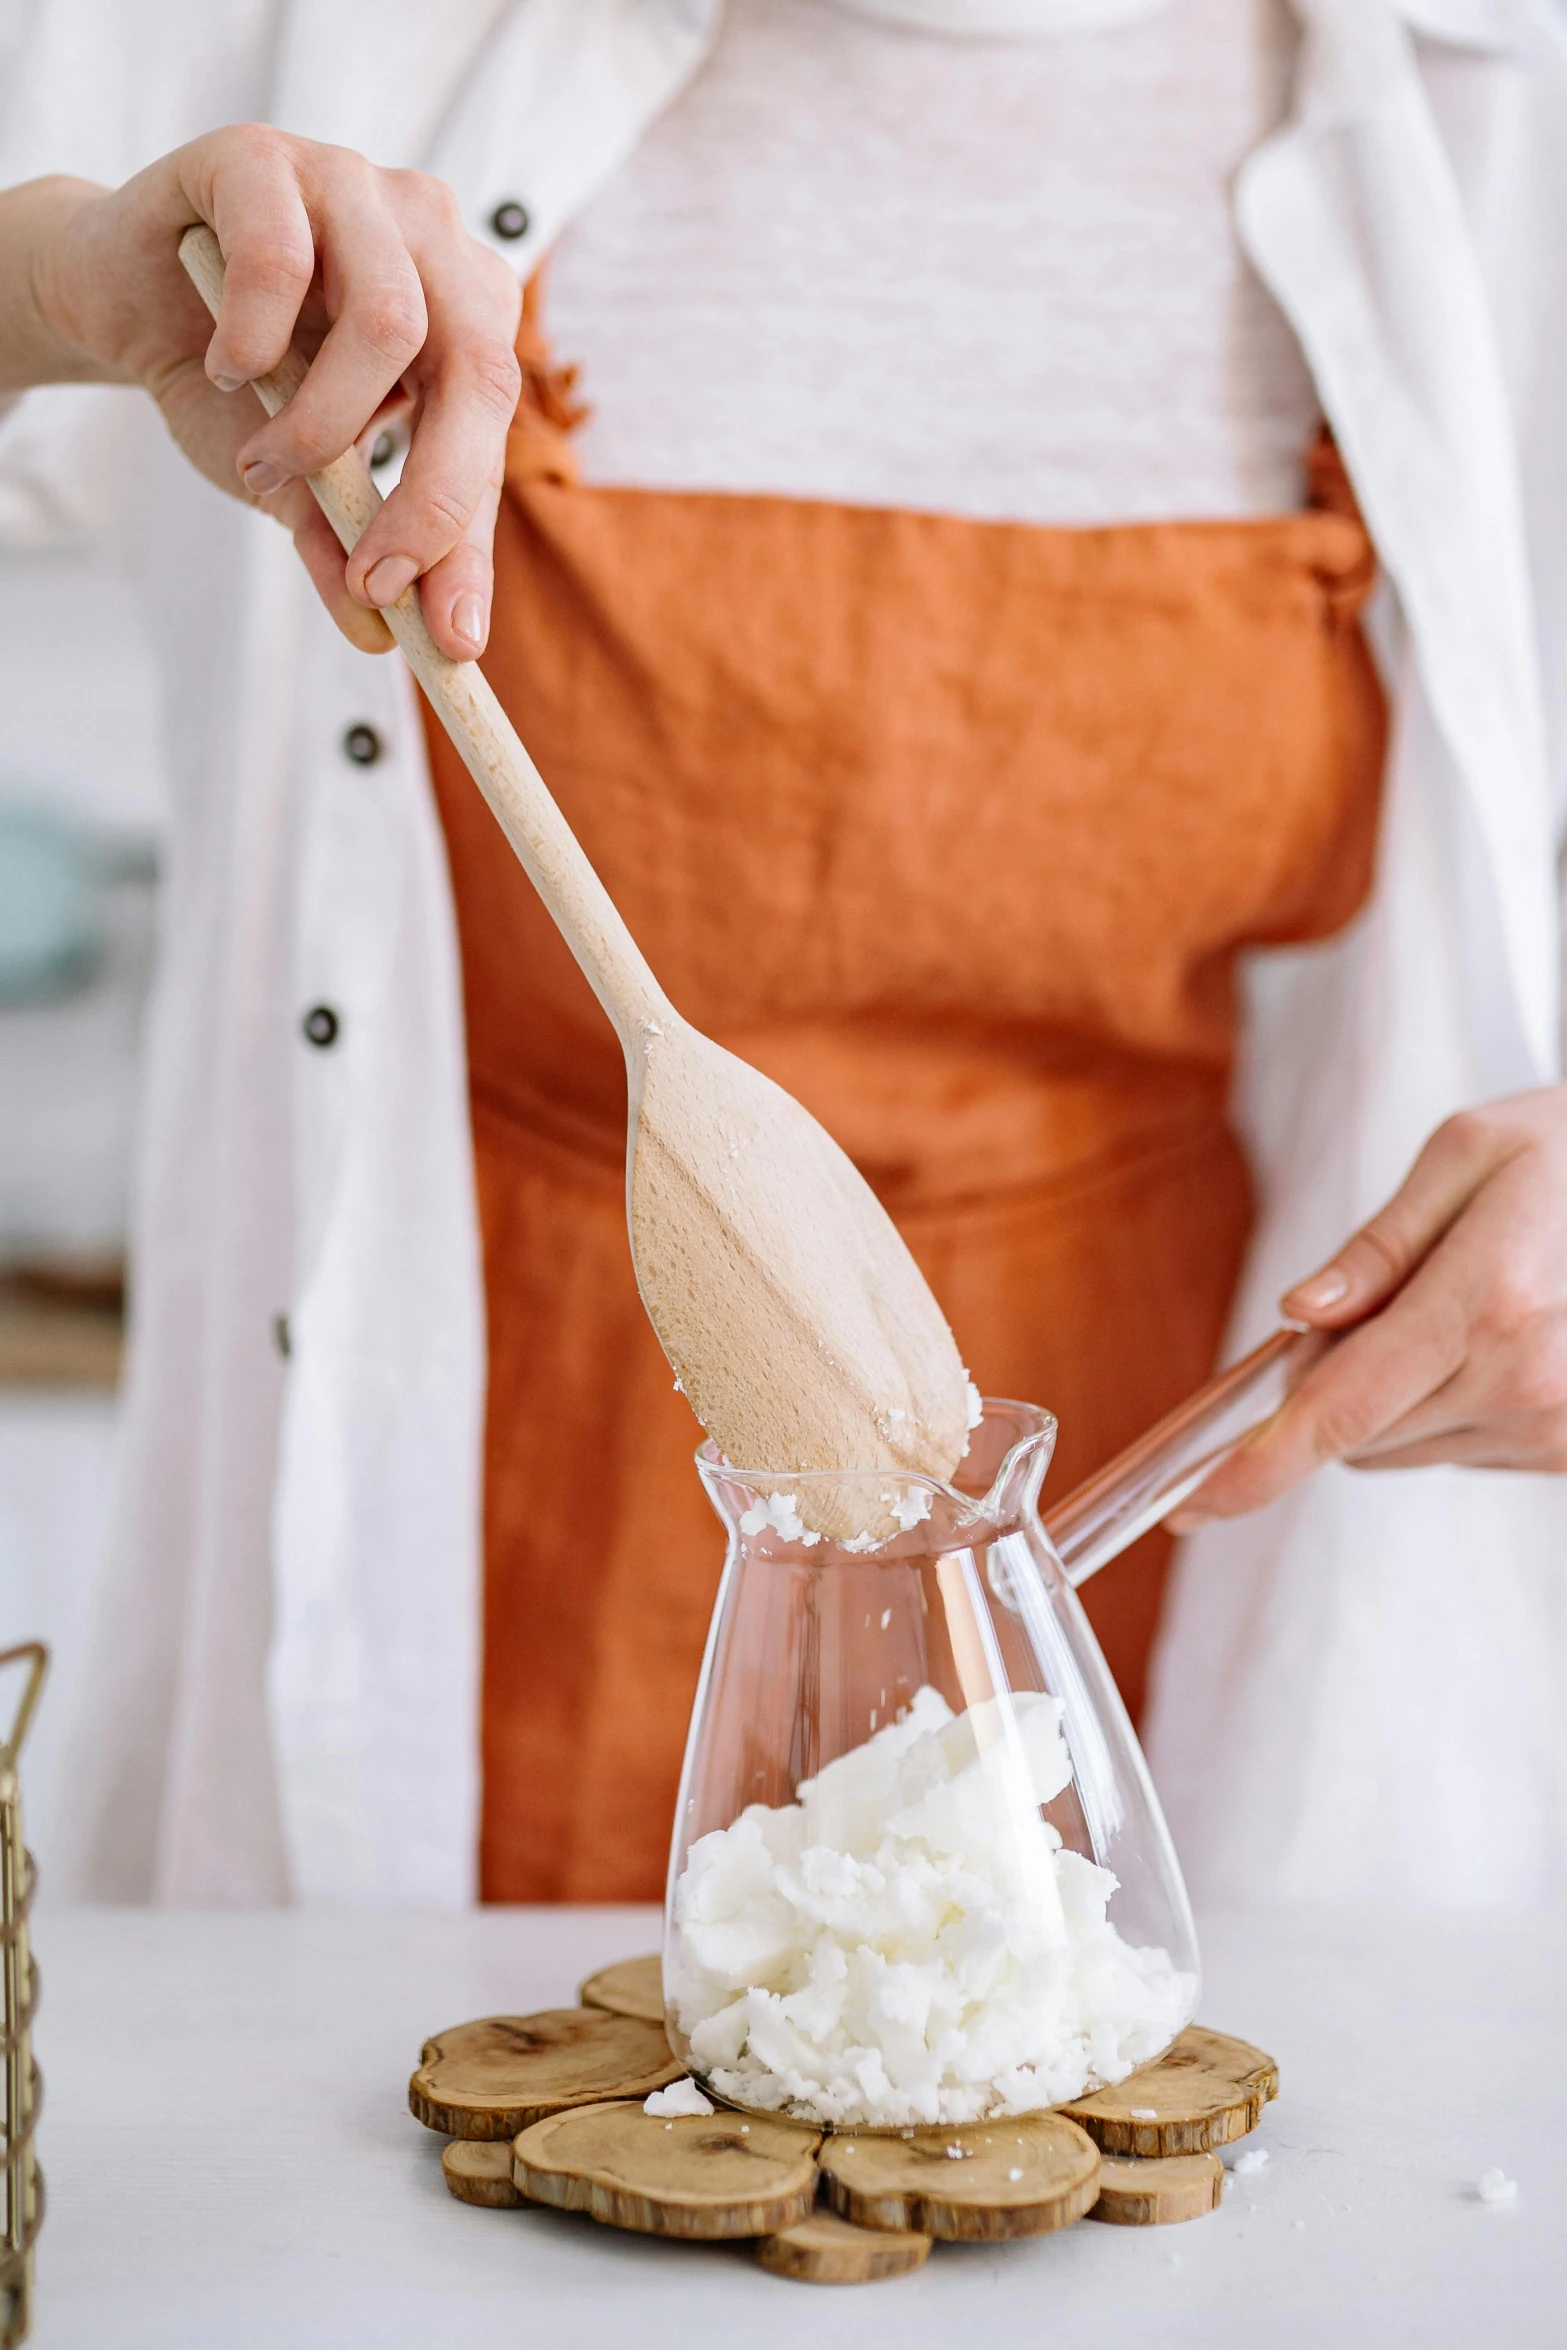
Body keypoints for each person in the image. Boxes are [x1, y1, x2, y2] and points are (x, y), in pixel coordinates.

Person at [1, 0, 1564, 1910]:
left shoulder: (1485, 108)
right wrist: (48, 289)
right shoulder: (247, 33)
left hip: (1170, 1613)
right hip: (462, 1597)